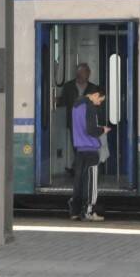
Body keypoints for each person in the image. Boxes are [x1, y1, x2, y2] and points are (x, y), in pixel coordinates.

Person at [68, 86, 111, 221]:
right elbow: (91, 130)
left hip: (79, 149)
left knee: (78, 181)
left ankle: (75, 211)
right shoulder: (90, 107)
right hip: (91, 149)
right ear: (95, 94)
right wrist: (103, 129)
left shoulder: (76, 105)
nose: (99, 103)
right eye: (100, 100)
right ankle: (89, 211)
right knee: (91, 182)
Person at [58, 63, 100, 176]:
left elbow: (97, 105)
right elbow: (63, 104)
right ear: (77, 74)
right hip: (74, 123)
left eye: (86, 73)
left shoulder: (93, 88)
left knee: (86, 147)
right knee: (76, 146)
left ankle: (79, 169)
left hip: (88, 122)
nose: (84, 76)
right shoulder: (68, 87)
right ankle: (79, 169)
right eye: (82, 73)